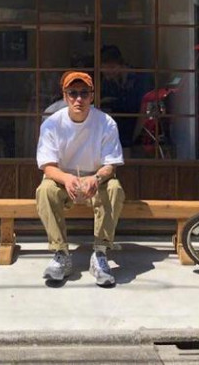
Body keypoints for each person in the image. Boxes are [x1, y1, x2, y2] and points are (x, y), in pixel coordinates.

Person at [36, 70, 125, 286]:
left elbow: (111, 164)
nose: (79, 99)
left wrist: (96, 178)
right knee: (45, 190)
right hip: (64, 177)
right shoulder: (52, 123)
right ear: (65, 96)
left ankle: (100, 253)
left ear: (92, 96)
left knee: (114, 189)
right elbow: (47, 166)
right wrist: (66, 179)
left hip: (95, 177)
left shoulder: (106, 122)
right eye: (73, 93)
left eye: (84, 93)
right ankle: (61, 253)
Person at [100, 45, 145, 152]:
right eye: (104, 69)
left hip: (135, 130)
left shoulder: (138, 79)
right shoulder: (108, 83)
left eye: (111, 67)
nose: (108, 72)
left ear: (121, 65)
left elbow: (141, 106)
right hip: (115, 133)